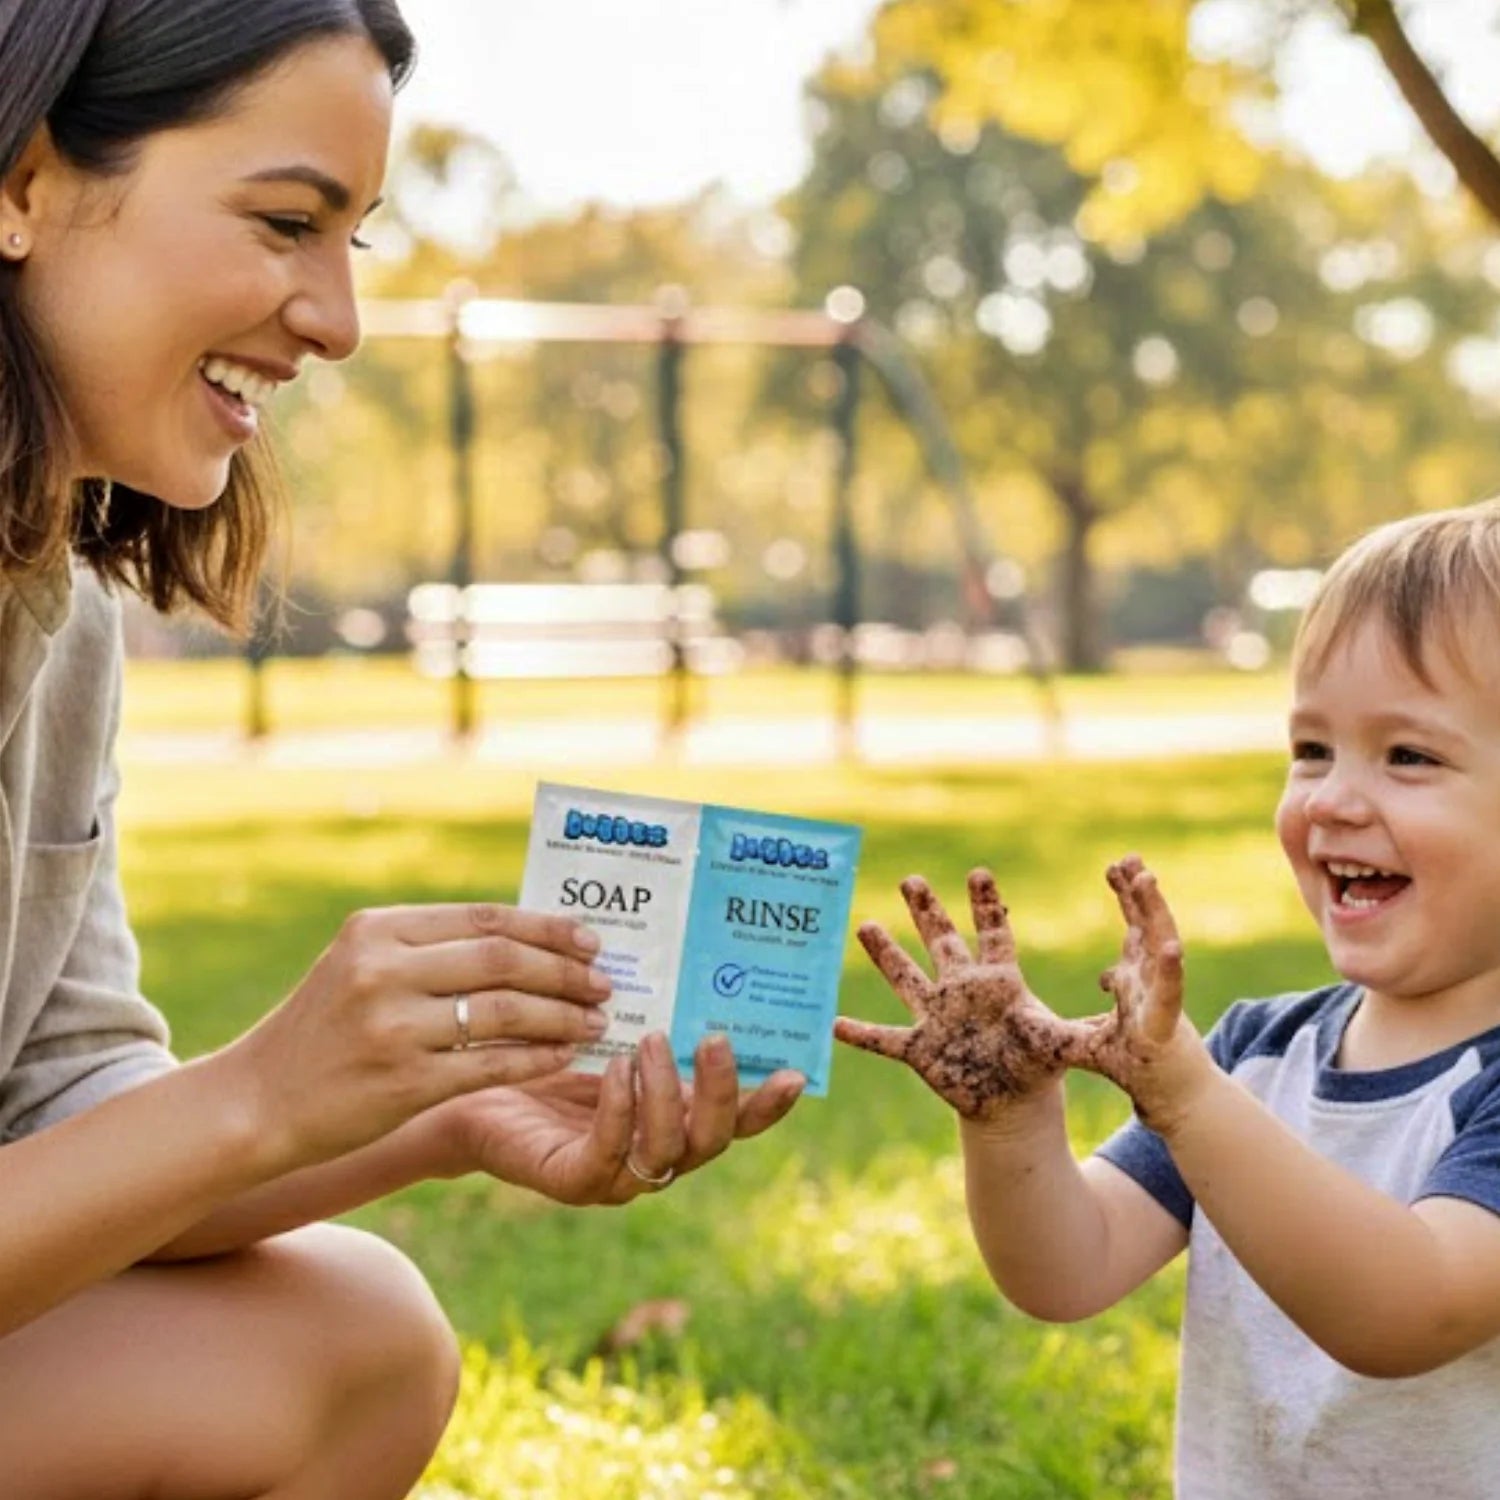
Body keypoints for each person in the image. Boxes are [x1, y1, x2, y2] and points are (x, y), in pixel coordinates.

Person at [0, 3, 803, 1495]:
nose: (336, 320)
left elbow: (65, 1114)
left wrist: (433, 1105)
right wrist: (255, 1094)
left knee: (356, 1338)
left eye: (348, 243)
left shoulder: (59, 616)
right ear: (25, 180)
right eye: (285, 221)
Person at [838, 498, 1500, 1498]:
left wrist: (1190, 1100)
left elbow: (1406, 1307)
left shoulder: (1233, 1090)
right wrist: (1011, 1118)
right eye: (1311, 750)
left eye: (1408, 755)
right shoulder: (1256, 1055)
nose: (1330, 799)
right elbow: (1069, 1269)